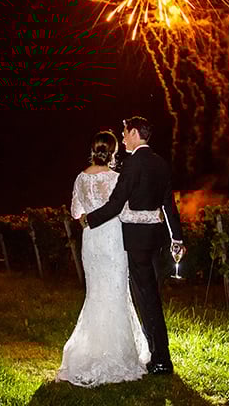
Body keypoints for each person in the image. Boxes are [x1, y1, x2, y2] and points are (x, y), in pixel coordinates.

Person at [80, 116, 185, 375]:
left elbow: (116, 204)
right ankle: (159, 355)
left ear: (136, 132)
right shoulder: (161, 163)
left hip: (136, 241)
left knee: (146, 299)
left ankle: (161, 360)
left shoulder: (131, 164)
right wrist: (177, 239)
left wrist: (89, 220)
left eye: (125, 133)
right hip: (157, 240)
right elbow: (169, 205)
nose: (123, 138)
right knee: (153, 298)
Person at [56, 130, 150, 387]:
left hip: (92, 241)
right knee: (116, 293)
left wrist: (88, 211)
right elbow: (126, 212)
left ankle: (90, 352)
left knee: (96, 293)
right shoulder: (117, 179)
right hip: (113, 240)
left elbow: (77, 212)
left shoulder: (80, 178)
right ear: (113, 151)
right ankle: (118, 354)